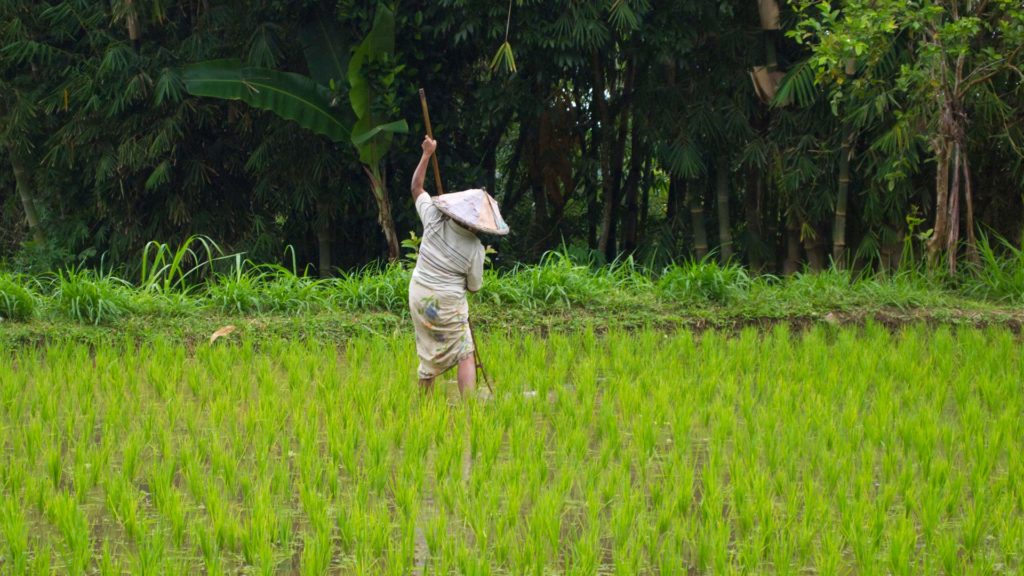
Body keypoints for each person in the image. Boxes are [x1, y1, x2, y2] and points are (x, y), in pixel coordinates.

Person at [408, 135, 509, 396]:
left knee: (428, 353)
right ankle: (470, 409)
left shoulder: (433, 216)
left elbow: (417, 188)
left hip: (420, 298)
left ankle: (423, 407)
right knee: (465, 351)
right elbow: (474, 287)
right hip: (447, 304)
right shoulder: (475, 248)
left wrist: (427, 154)